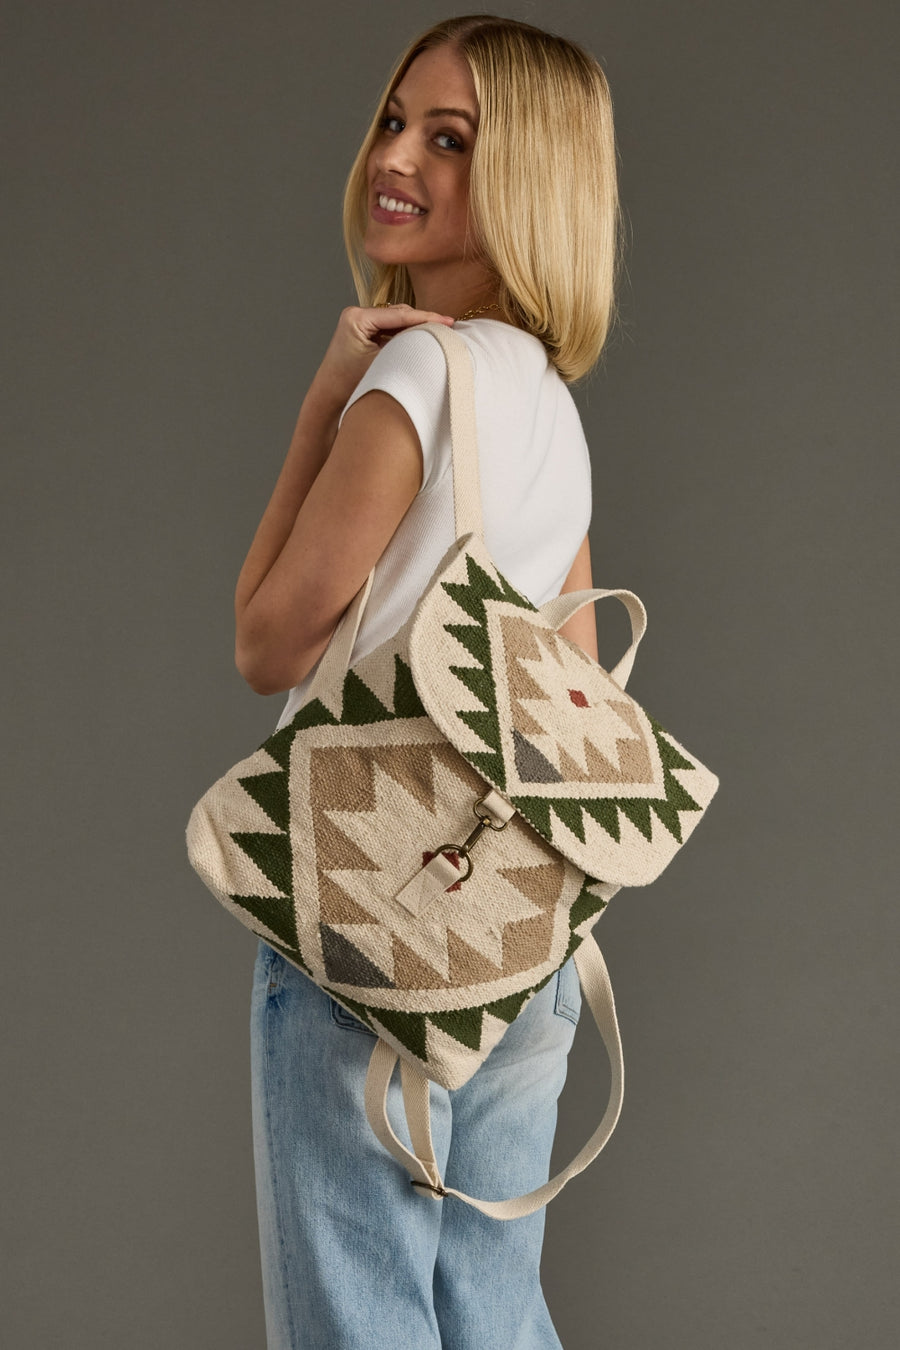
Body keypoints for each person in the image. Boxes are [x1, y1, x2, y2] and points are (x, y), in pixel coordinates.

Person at [234, 15, 622, 1349]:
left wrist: (324, 400)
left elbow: (266, 641)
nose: (397, 157)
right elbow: (572, 684)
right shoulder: (554, 404)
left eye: (449, 139)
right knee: (495, 1317)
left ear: (526, 181)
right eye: (395, 119)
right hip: (526, 935)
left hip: (376, 914)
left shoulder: (408, 379)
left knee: (362, 1323)